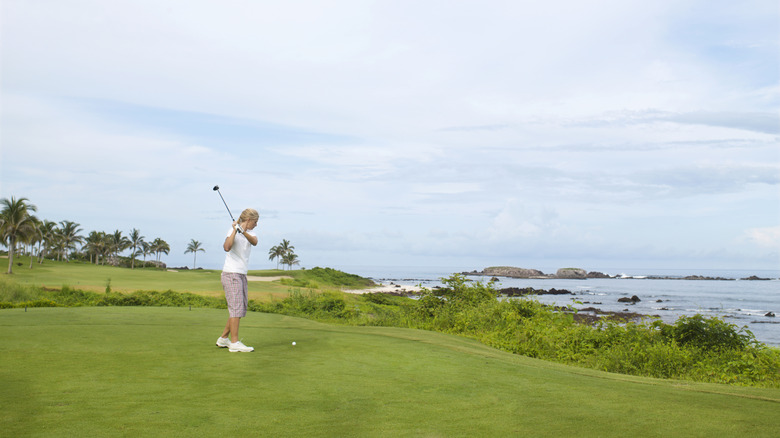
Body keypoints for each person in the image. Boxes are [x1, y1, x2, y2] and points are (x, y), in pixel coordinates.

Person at [216, 208, 259, 352]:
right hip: (231, 273)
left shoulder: (251, 233)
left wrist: (243, 231)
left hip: (241, 274)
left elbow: (254, 242)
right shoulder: (231, 231)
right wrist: (235, 230)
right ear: (248, 220)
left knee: (239, 308)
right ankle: (234, 343)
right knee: (236, 309)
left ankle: (223, 339)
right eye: (255, 221)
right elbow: (227, 247)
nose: (256, 224)